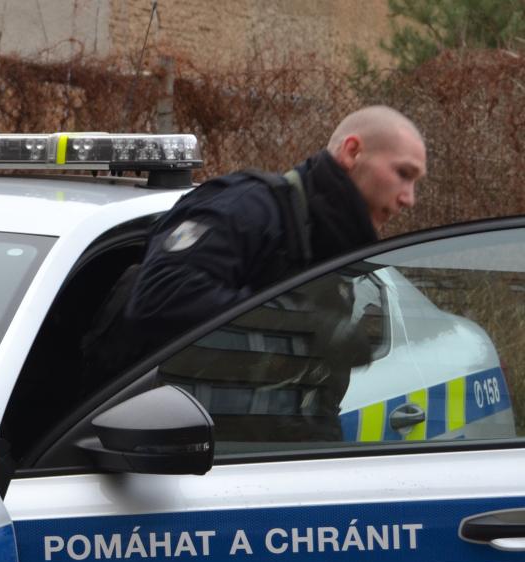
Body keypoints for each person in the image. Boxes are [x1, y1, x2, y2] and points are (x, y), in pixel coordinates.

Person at [81, 105, 427, 390]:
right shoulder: (245, 209)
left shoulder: (329, 250)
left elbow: (311, 402)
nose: (409, 199)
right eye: (403, 173)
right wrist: (308, 326)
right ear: (352, 152)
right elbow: (161, 296)